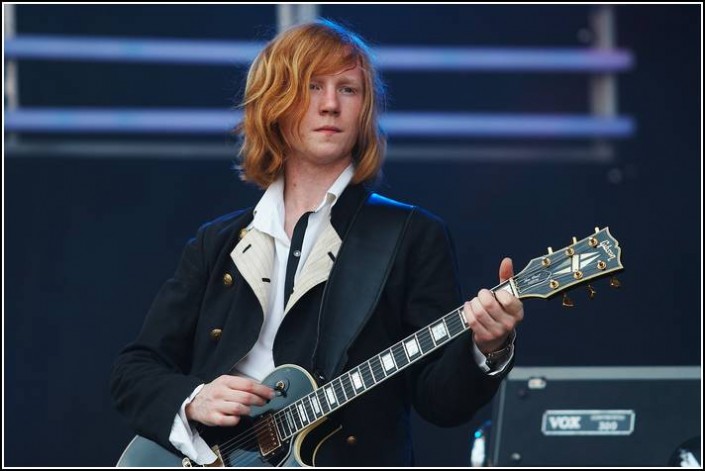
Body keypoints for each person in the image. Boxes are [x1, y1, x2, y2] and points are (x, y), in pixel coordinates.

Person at [110, 19, 524, 467]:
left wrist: (487, 347)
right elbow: (134, 370)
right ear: (274, 103)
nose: (330, 105)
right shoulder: (219, 243)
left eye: (348, 89)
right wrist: (194, 400)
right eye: (311, 86)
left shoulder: (409, 234)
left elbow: (440, 403)